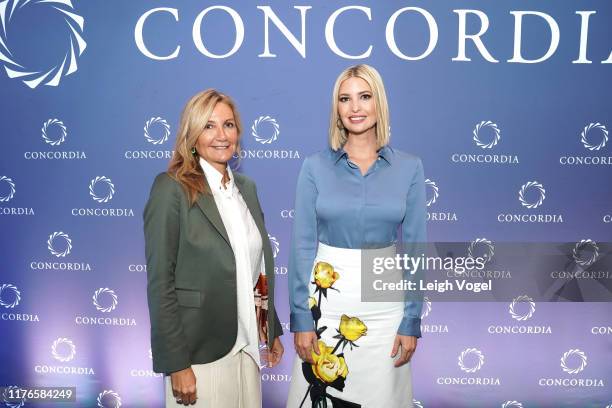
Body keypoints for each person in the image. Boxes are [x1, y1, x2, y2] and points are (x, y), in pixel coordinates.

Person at [286, 65, 426, 407]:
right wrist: (302, 318)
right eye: (345, 99)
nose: (355, 107)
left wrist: (411, 320)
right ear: (337, 109)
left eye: (364, 97)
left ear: (379, 103)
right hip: (328, 304)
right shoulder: (314, 167)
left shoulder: (410, 168)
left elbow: (415, 249)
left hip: (385, 309)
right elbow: (302, 247)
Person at [144, 89, 284, 407]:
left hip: (248, 347)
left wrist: (270, 328)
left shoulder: (246, 189)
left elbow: (255, 267)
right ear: (192, 136)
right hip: (199, 352)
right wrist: (176, 363)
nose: (221, 135)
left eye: (229, 125)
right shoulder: (172, 188)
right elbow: (160, 283)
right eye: (208, 126)